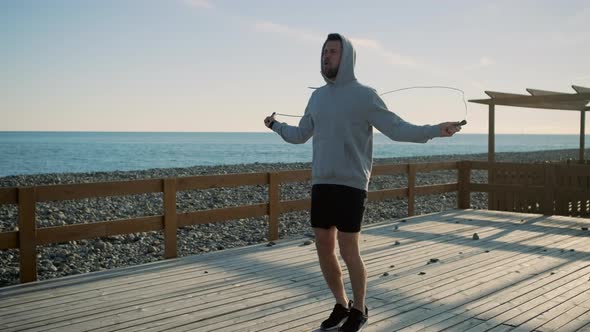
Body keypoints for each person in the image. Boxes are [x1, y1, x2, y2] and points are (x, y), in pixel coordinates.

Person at [263, 33, 461, 332]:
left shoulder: (365, 95)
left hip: (351, 184)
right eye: (324, 52)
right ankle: (341, 304)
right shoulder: (317, 97)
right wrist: (275, 125)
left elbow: (397, 129)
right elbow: (300, 135)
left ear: (347, 57)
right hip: (322, 183)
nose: (326, 56)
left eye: (332, 51)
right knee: (323, 247)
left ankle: (359, 308)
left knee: (348, 250)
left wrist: (436, 129)